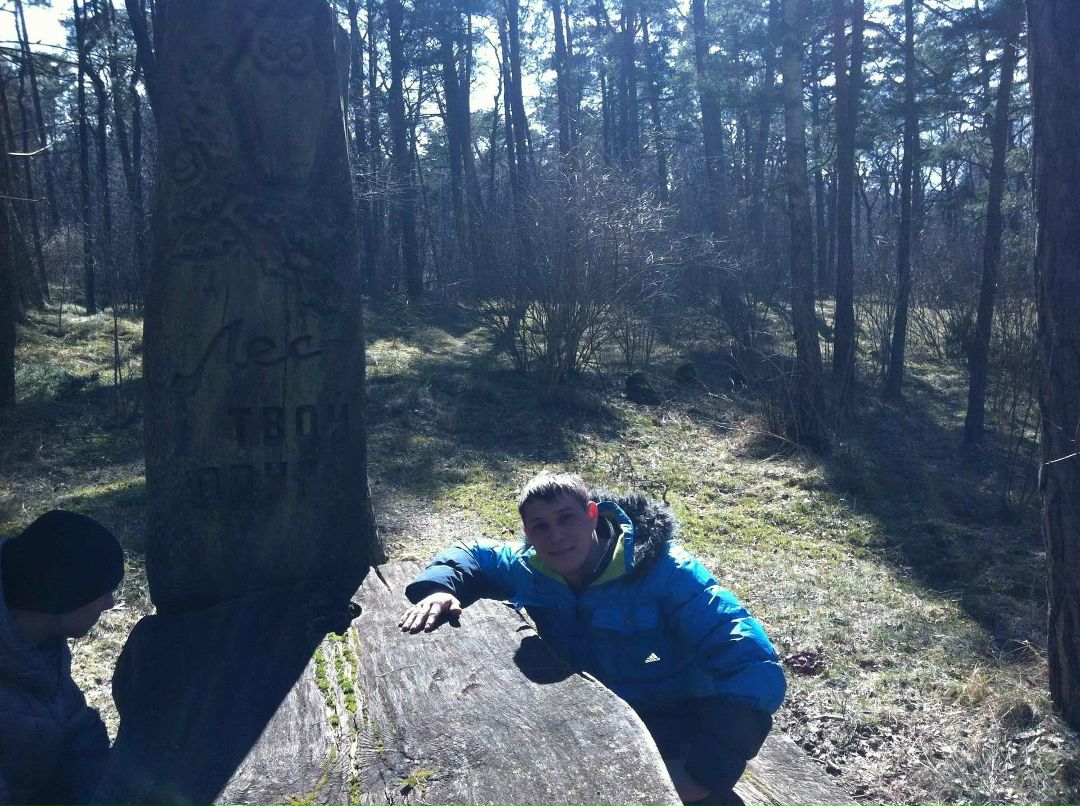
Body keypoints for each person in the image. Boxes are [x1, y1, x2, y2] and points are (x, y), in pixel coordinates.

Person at [399, 471, 786, 805]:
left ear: (592, 514)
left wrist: (704, 775)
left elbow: (753, 664)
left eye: (566, 518)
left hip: (681, 722)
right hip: (592, 718)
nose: (556, 537)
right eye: (540, 526)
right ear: (527, 532)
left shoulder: (666, 572)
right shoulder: (531, 568)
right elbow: (472, 552)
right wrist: (439, 589)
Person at [0, 509, 125, 806]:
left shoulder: (38, 644)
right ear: (65, 595)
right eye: (101, 590)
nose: (110, 603)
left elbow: (77, 733)